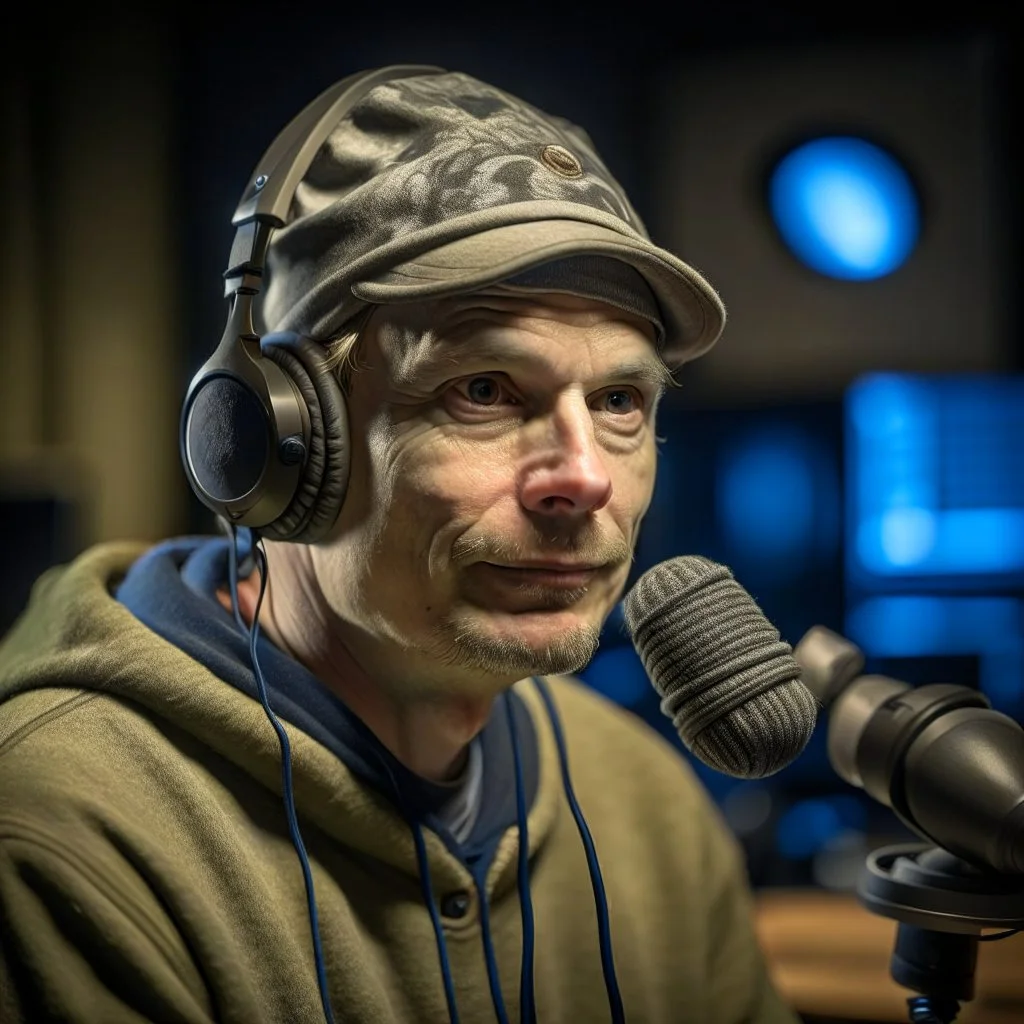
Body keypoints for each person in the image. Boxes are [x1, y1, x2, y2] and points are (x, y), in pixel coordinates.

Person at [0, 65, 800, 1023]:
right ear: (278, 441)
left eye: (619, 401)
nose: (585, 477)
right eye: (485, 390)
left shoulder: (647, 806)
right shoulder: (56, 836)